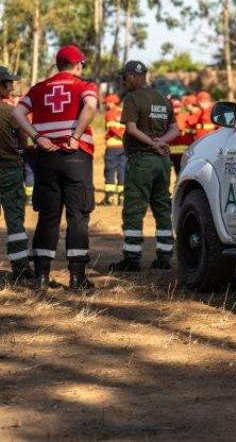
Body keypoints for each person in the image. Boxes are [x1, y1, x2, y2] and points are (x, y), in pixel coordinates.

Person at [12, 45, 98, 290]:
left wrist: (37, 137)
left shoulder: (39, 88)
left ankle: (41, 276)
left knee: (48, 216)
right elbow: (90, 107)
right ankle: (77, 276)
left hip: (46, 158)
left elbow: (18, 113)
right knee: (78, 215)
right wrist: (76, 136)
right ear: (78, 64)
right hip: (76, 157)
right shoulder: (84, 85)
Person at [110, 61, 179, 272]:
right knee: (162, 208)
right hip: (162, 162)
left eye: (124, 77)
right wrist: (162, 142)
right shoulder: (162, 99)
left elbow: (131, 128)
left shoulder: (132, 99)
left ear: (133, 76)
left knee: (134, 210)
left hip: (142, 160)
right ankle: (164, 257)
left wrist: (151, 143)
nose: (123, 82)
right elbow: (175, 129)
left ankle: (131, 259)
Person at [0, 66, 32, 281]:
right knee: (14, 221)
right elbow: (23, 137)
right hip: (10, 170)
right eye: (9, 83)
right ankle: (20, 267)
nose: (12, 86)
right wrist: (20, 151)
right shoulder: (10, 112)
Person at [101, 93, 127, 205]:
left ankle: (109, 198)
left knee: (110, 171)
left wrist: (120, 136)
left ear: (112, 103)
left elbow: (112, 129)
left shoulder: (110, 113)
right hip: (124, 147)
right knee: (122, 171)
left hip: (112, 147)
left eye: (106, 102)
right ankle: (122, 198)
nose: (105, 105)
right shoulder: (124, 112)